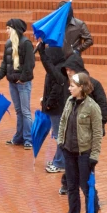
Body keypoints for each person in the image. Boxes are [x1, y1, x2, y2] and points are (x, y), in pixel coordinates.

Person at [50, 54, 107, 196]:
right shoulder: (70, 87)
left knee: (87, 170)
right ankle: (67, 184)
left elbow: (103, 107)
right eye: (66, 70)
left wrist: (98, 126)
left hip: (87, 135)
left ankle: (92, 200)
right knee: (71, 164)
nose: (68, 72)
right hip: (71, 137)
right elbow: (66, 114)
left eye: (70, 69)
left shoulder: (94, 85)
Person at [57, 73, 102, 213]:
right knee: (72, 188)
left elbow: (97, 134)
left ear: (81, 87)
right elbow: (63, 122)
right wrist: (61, 142)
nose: (69, 88)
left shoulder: (92, 107)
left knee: (87, 189)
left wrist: (94, 156)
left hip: (85, 154)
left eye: (72, 86)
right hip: (69, 151)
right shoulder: (69, 102)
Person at [0, 19, 34, 150]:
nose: (6, 31)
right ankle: (19, 137)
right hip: (12, 82)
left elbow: (30, 64)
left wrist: (23, 78)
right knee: (18, 111)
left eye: (8, 28)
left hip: (23, 83)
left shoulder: (26, 43)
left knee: (25, 111)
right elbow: (4, 63)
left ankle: (28, 139)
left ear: (15, 29)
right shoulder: (8, 44)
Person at [38, 42, 69, 182]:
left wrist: (48, 103)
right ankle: (58, 160)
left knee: (59, 136)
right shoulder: (58, 67)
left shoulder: (59, 70)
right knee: (58, 135)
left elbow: (56, 90)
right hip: (56, 107)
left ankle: (60, 163)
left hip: (57, 108)